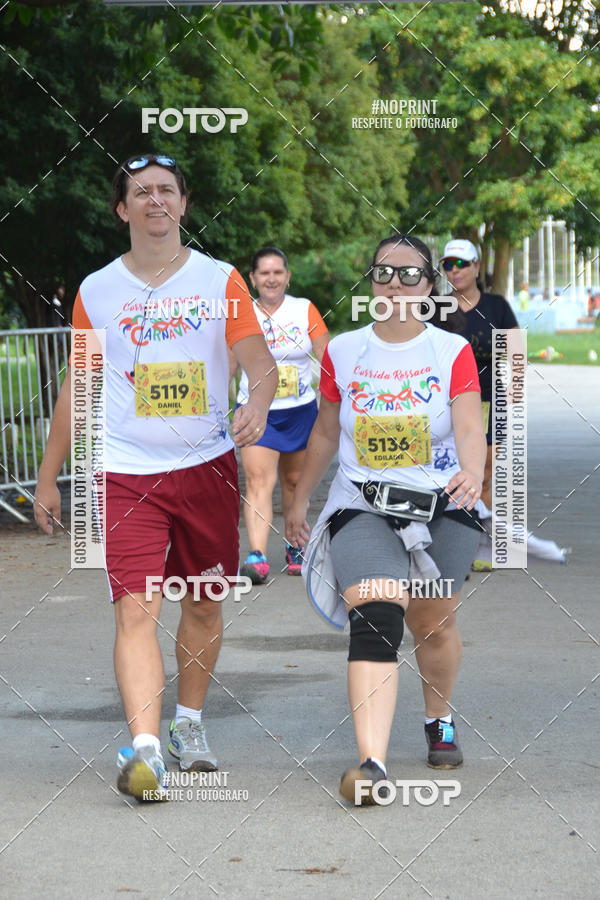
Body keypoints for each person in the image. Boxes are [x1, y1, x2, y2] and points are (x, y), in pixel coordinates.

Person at [33, 154, 277, 802]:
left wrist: (255, 402)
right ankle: (144, 750)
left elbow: (259, 361)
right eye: (141, 192)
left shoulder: (220, 280)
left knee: (202, 600)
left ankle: (187, 727)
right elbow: (78, 385)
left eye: (167, 190)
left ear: (184, 204)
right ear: (123, 210)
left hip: (205, 467)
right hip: (126, 473)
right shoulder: (97, 291)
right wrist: (49, 476)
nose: (155, 201)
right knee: (136, 608)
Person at [286, 234, 486, 805]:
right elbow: (326, 431)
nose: (394, 284)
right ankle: (371, 763)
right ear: (370, 281)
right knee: (375, 609)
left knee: (431, 621)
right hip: (363, 502)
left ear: (430, 285)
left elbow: (470, 426)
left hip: (441, 502)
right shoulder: (344, 351)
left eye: (408, 275)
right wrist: (298, 498)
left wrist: (472, 472)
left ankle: (439, 718)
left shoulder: (450, 352)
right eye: (382, 273)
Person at [234, 247, 329, 584]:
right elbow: (228, 364)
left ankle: (295, 546)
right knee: (259, 480)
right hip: (256, 411)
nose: (271, 279)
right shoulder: (242, 312)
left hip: (300, 411)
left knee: (294, 482)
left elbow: (326, 357)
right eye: (264, 273)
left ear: (288, 276)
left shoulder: (304, 310)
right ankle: (257, 555)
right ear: (253, 279)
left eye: (277, 273)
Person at [440, 239, 520, 513]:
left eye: (462, 264)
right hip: (447, 400)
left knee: (484, 471)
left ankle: (480, 535)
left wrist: (514, 392)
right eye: (449, 265)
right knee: (449, 470)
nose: (455, 271)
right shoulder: (437, 309)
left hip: (489, 397)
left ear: (476, 267)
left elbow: (516, 352)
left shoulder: (496, 306)